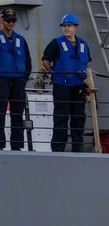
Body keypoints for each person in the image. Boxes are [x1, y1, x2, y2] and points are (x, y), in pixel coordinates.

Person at [41, 13, 91, 152]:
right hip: (62, 86)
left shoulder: (83, 44)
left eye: (69, 26)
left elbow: (87, 61)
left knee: (78, 119)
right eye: (64, 26)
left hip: (78, 87)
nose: (66, 28)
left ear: (76, 27)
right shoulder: (56, 43)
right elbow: (45, 61)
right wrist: (54, 73)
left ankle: (77, 150)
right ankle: (58, 150)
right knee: (60, 119)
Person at [0, 8, 32, 151]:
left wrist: (23, 79)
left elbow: (28, 61)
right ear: (3, 21)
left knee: (17, 114)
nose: (11, 23)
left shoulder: (20, 39)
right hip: (1, 80)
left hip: (18, 81)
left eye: (14, 20)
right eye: (8, 20)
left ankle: (17, 146)